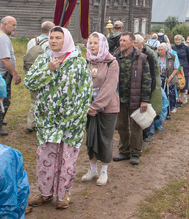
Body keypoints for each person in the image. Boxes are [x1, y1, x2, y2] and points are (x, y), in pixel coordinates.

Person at [24, 26, 92, 209]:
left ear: (66, 40)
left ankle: (63, 194)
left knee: (67, 159)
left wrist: (76, 116)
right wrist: (48, 70)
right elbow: (29, 83)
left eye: (58, 38)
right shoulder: (43, 60)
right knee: (45, 157)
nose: (53, 41)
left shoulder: (78, 63)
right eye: (51, 37)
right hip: (47, 120)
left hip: (72, 122)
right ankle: (44, 193)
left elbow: (85, 93)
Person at [80, 32, 119, 186]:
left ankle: (104, 171)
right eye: (90, 43)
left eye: (96, 43)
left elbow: (109, 87)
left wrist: (96, 106)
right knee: (90, 138)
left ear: (102, 44)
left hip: (107, 108)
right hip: (88, 108)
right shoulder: (86, 62)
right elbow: (81, 83)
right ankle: (92, 169)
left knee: (105, 139)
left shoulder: (111, 62)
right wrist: (86, 105)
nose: (92, 46)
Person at [112, 32, 152, 166]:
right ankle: (124, 151)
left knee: (135, 126)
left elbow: (147, 80)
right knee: (122, 126)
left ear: (132, 42)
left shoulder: (141, 58)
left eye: (124, 41)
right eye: (121, 40)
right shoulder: (115, 57)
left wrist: (144, 99)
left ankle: (135, 153)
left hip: (135, 98)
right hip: (119, 97)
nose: (121, 43)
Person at [0, 16, 22, 136]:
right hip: (1, 73)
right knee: (3, 99)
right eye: (13, 25)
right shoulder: (2, 38)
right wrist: (14, 73)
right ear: (5, 24)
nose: (15, 28)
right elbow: (5, 59)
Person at [24, 21, 54, 133]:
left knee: (33, 99)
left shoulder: (32, 41)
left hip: (32, 72)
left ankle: (30, 123)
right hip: (45, 72)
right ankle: (41, 122)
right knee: (44, 98)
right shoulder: (49, 43)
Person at [136, 34, 162, 143]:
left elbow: (153, 72)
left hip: (150, 84)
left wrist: (151, 89)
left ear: (141, 43)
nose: (133, 44)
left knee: (149, 109)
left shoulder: (150, 54)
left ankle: (149, 133)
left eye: (135, 43)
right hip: (138, 85)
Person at [157, 43, 178, 117]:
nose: (159, 51)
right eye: (158, 50)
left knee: (170, 94)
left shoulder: (171, 57)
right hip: (160, 79)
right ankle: (162, 110)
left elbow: (176, 69)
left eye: (161, 50)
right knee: (161, 95)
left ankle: (170, 108)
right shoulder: (156, 57)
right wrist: (157, 72)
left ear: (165, 50)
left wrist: (170, 77)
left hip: (169, 79)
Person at [171, 35, 189, 106]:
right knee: (177, 83)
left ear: (181, 40)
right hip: (176, 68)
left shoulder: (186, 48)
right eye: (176, 40)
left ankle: (182, 99)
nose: (178, 41)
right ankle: (176, 99)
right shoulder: (172, 48)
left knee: (184, 83)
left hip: (185, 68)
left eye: (179, 40)